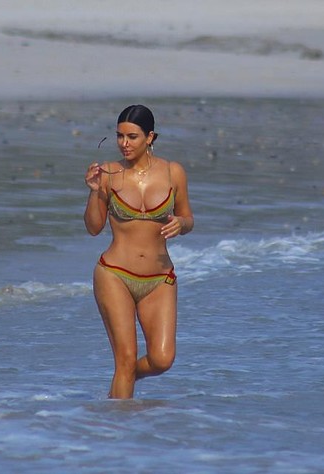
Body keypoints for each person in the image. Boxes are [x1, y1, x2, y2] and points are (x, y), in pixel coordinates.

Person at [84, 105, 194, 399]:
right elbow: (93, 227)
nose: (124, 143)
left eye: (132, 137)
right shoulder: (108, 174)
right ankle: (117, 423)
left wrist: (181, 224)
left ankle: (122, 389)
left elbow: (188, 218)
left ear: (150, 137)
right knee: (125, 359)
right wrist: (94, 191)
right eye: (119, 136)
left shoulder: (173, 172)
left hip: (160, 279)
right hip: (114, 274)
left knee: (162, 359)